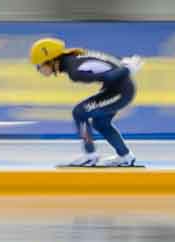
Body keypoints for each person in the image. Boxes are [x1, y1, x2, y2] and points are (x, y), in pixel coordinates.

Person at [33, 37, 140, 167]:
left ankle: (90, 155)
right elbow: (107, 67)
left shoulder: (74, 70)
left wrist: (127, 68)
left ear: (51, 60)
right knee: (100, 123)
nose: (38, 69)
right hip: (117, 88)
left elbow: (108, 76)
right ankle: (125, 156)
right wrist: (124, 66)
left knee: (79, 112)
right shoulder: (74, 61)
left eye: (39, 65)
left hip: (120, 91)